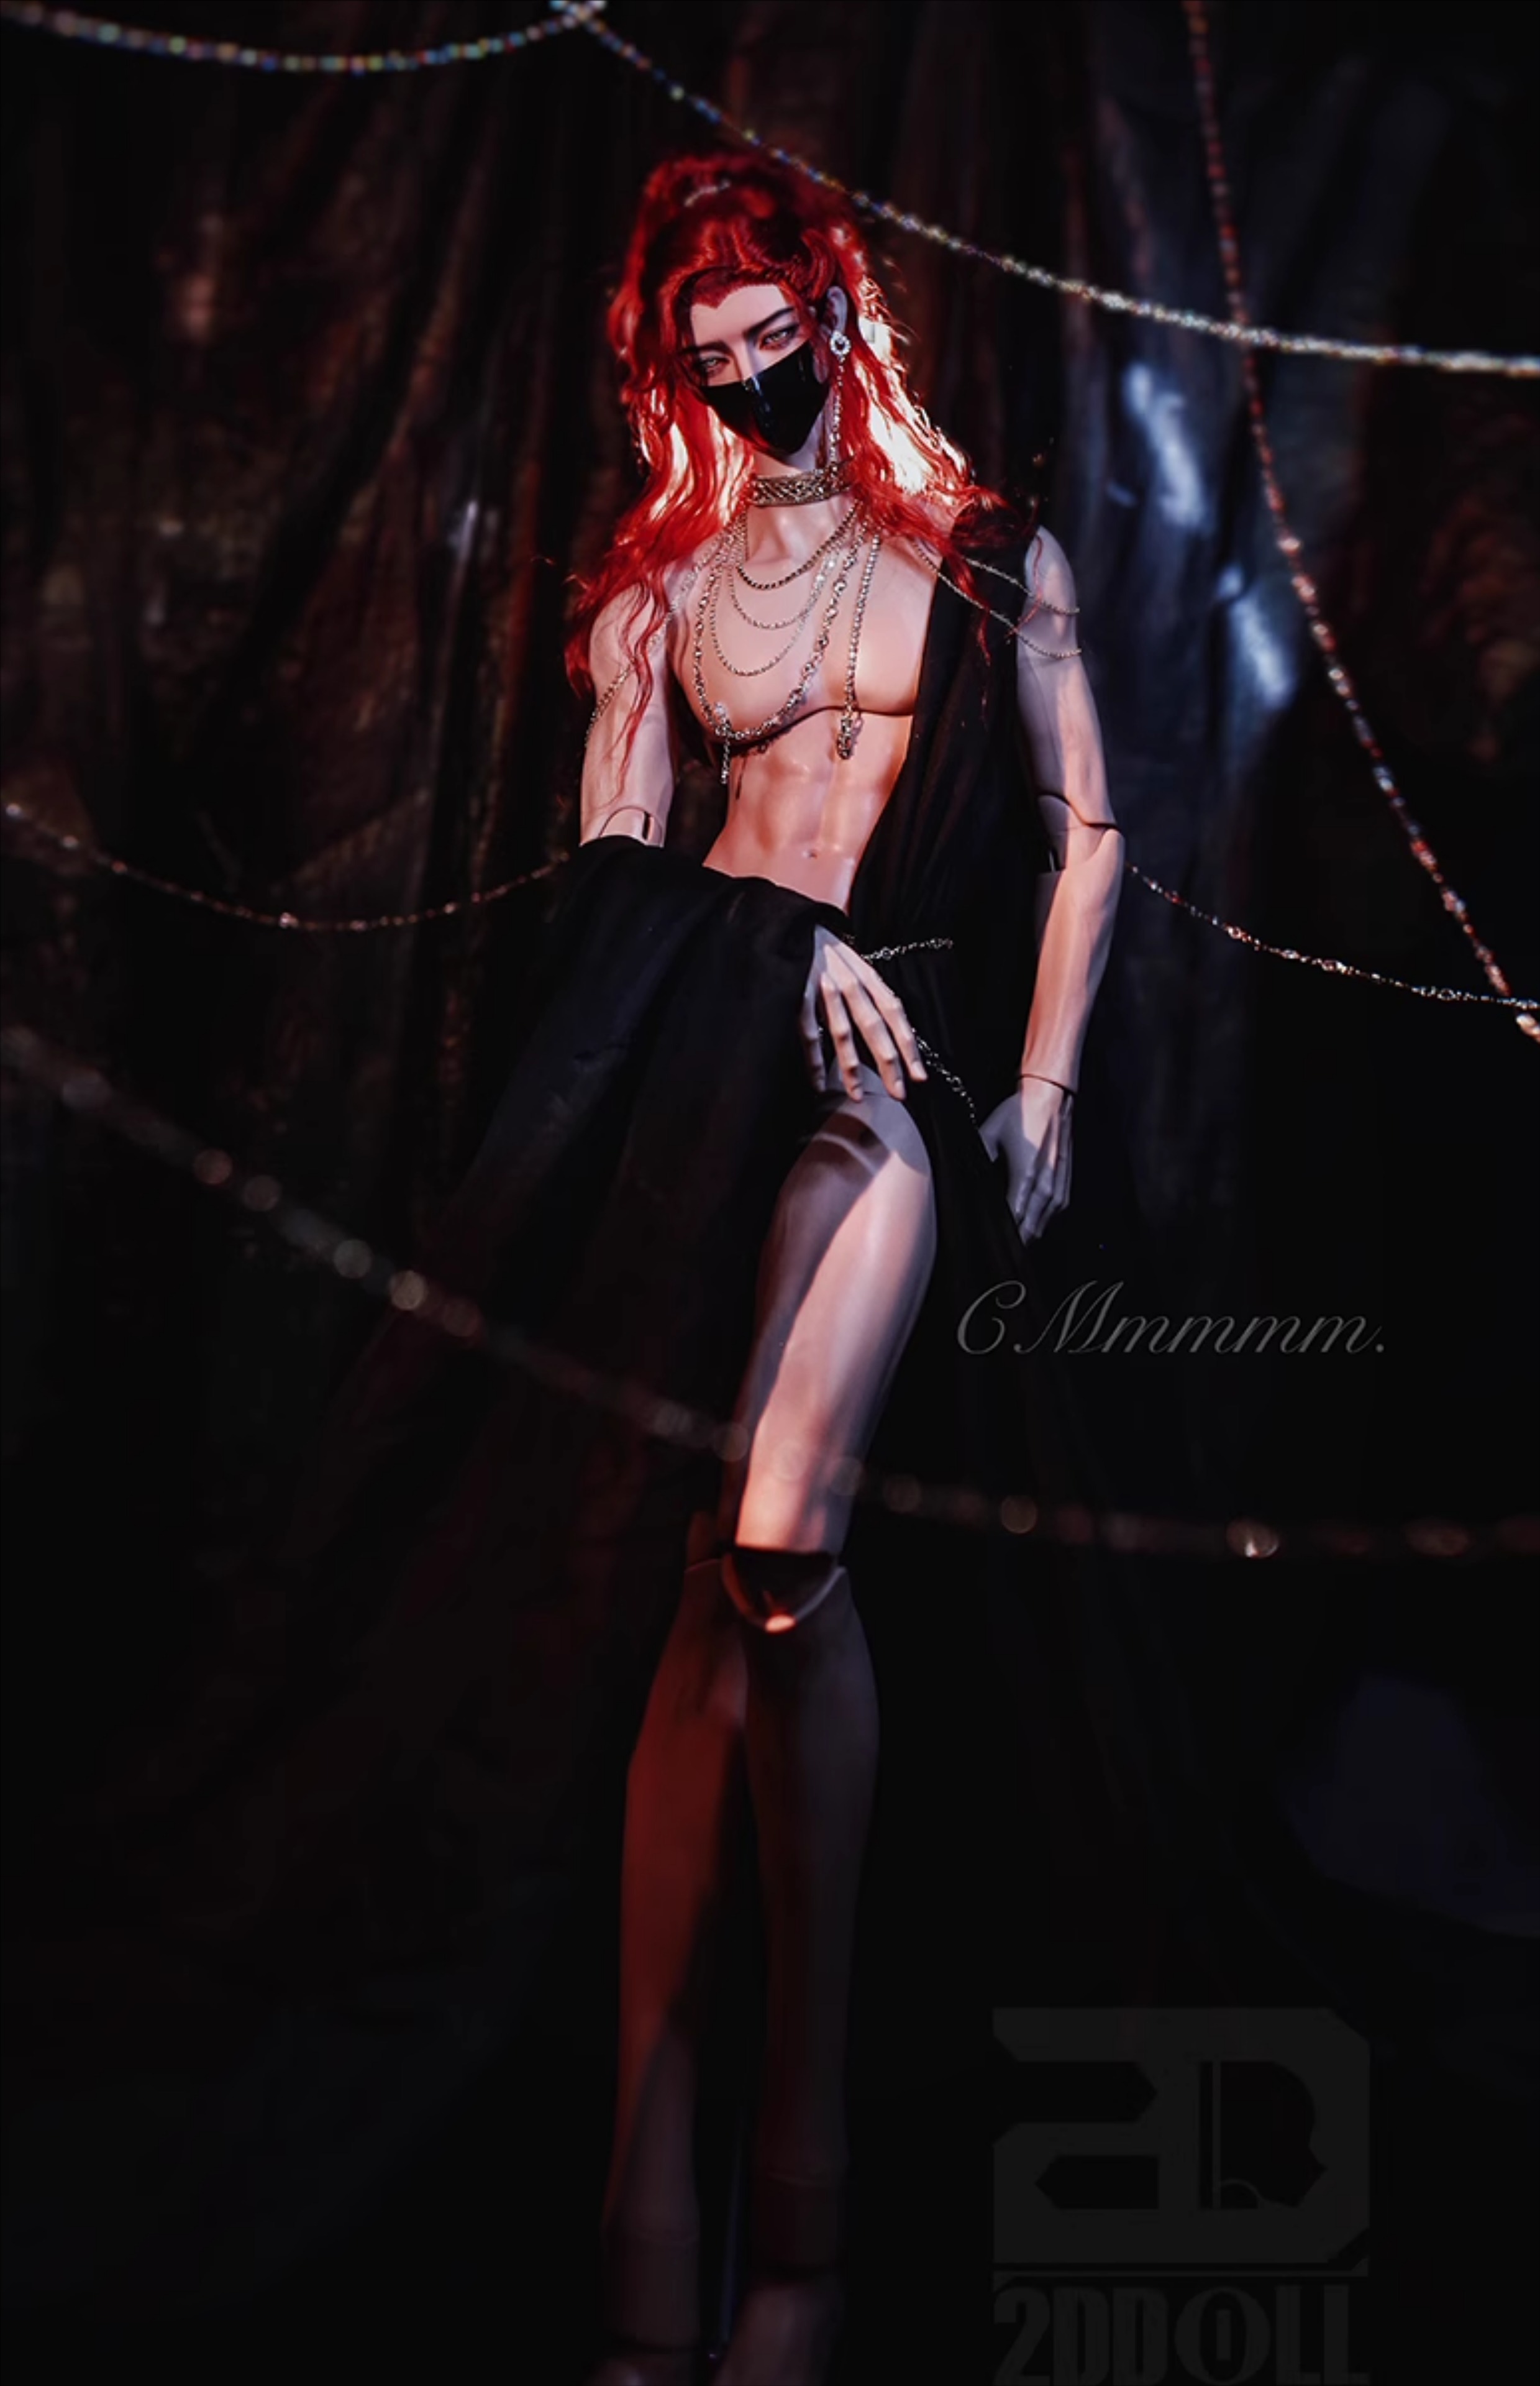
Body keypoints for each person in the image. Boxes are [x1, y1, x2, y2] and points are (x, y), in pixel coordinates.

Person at [566, 153, 1124, 2386]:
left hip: (886, 1074)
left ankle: (802, 2214)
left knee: (783, 1548)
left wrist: (1050, 1086)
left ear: (833, 310)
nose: (748, 382)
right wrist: (753, 944)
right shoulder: (661, 590)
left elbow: (1090, 832)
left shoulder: (982, 556)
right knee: (697, 1611)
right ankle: (655, 2231)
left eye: (772, 338)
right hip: (709, 1054)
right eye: (707, 360)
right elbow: (610, 879)